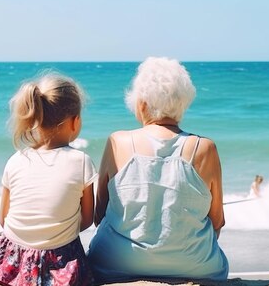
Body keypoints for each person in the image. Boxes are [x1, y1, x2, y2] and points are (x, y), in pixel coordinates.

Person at [87, 57, 229, 283]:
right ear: (183, 102)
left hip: (115, 263)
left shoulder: (118, 141)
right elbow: (217, 220)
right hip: (196, 266)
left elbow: (99, 215)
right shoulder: (205, 148)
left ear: (141, 103)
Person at [0, 73, 97, 286]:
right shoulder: (81, 161)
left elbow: (4, 218)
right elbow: (87, 219)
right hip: (57, 262)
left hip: (9, 262)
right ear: (75, 121)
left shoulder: (16, 160)